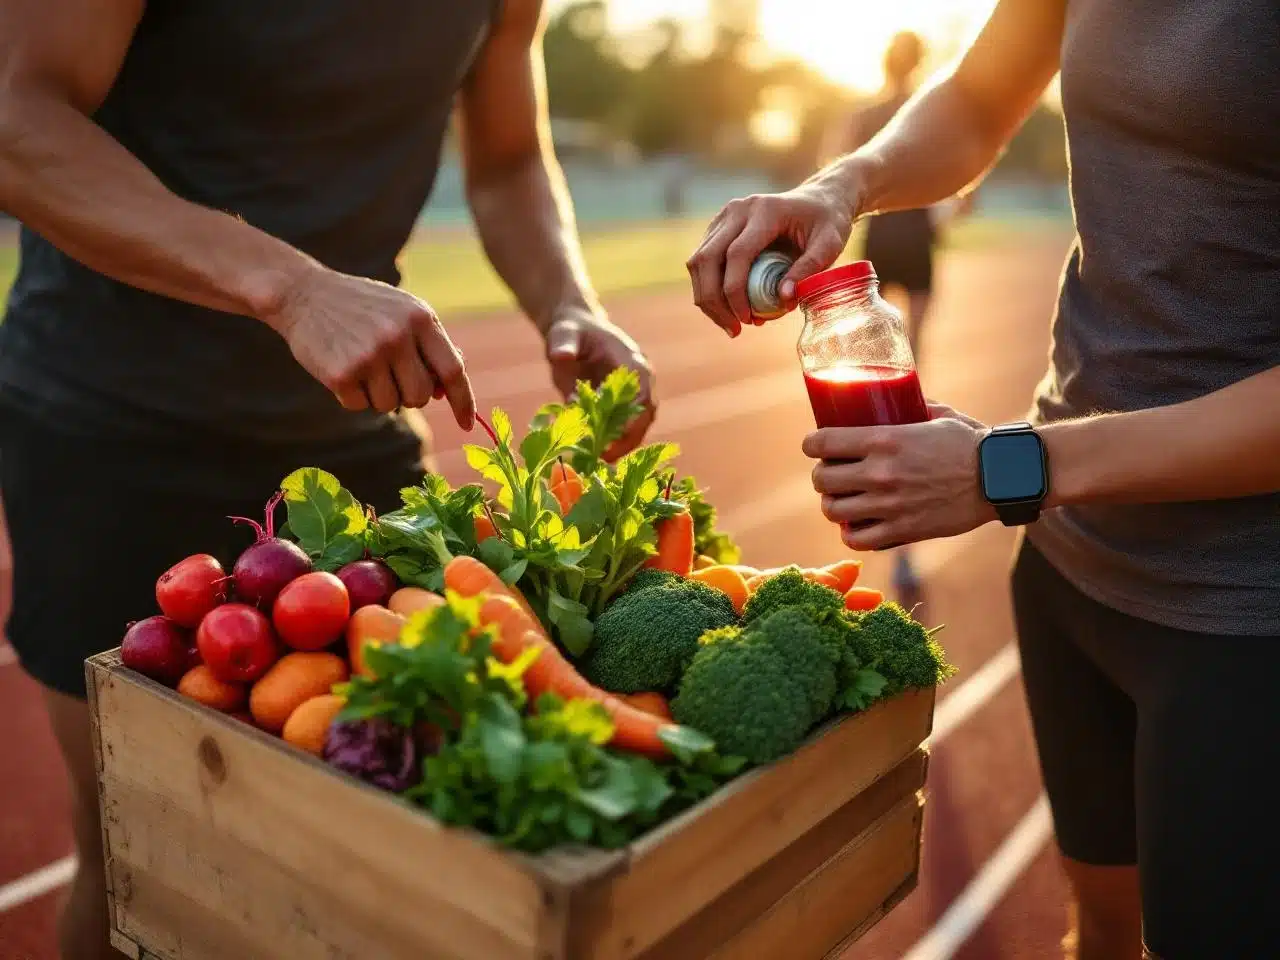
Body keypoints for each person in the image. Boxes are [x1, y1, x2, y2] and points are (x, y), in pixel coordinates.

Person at [0, 1, 654, 956]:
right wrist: (293, 287)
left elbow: (510, 158)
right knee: (138, 855)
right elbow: (17, 119)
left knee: (369, 856)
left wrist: (570, 301)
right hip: (112, 418)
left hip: (349, 429)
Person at [687, 0, 1279, 957]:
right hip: (1071, 563)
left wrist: (1016, 466)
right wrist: (848, 183)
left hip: (1246, 612)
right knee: (1100, 920)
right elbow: (977, 98)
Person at [822, 30, 972, 599]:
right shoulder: (930, 113)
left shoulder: (866, 116)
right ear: (919, 62)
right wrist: (943, 216)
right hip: (918, 245)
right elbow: (967, 193)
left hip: (881, 247)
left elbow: (832, 171)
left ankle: (891, 522)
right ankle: (904, 527)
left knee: (879, 376)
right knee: (912, 369)